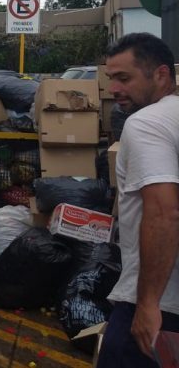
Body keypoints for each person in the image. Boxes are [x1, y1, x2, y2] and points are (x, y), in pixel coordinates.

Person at [99, 32, 179, 367]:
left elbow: (163, 212)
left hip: (159, 304)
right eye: (111, 79)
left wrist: (147, 304)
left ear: (160, 74)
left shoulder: (147, 123)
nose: (114, 89)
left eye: (124, 78)